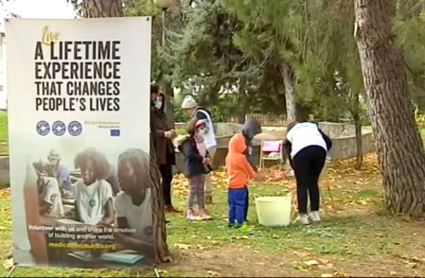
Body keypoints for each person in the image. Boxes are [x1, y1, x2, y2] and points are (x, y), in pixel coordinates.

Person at [284, 121, 332, 225]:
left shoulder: (290, 134)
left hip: (301, 152)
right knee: (313, 182)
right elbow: (329, 142)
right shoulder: (312, 126)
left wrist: (294, 167)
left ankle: (303, 215)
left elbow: (289, 152)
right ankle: (315, 214)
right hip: (319, 150)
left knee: (302, 184)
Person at [113, 149, 154, 255]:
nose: (119, 176)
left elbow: (157, 247)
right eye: (118, 171)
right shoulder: (120, 200)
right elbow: (125, 236)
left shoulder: (155, 199)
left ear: (140, 172)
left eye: (124, 170)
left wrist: (119, 237)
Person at [181, 95, 216, 204]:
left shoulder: (199, 114)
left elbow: (203, 130)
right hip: (211, 143)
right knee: (206, 170)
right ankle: (207, 194)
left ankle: (203, 195)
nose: (187, 113)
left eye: (187, 110)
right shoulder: (204, 112)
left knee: (202, 171)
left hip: (207, 145)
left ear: (190, 108)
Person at [176, 119, 213, 220]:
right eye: (201, 128)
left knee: (201, 189)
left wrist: (207, 157)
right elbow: (189, 154)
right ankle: (190, 210)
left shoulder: (200, 140)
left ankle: (202, 210)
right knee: (193, 189)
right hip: (192, 168)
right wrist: (202, 159)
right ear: (195, 128)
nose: (203, 130)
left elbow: (205, 151)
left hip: (200, 168)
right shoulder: (189, 141)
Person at [73, 148, 114, 225]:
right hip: (82, 229)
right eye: (83, 168)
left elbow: (110, 217)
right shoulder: (77, 186)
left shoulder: (103, 186)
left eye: (90, 169)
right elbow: (77, 215)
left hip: (98, 229)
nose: (85, 172)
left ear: (97, 170)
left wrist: (98, 227)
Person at [154, 92, 179, 212]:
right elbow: (152, 131)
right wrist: (164, 134)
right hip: (158, 150)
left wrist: (171, 132)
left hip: (167, 150)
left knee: (168, 176)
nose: (159, 101)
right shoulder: (151, 113)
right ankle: (158, 204)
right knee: (157, 178)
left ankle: (167, 204)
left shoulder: (162, 114)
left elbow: (166, 126)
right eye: (157, 99)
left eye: (161, 99)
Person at [226, 133, 257, 227]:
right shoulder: (241, 158)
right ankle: (240, 222)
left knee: (232, 204)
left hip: (231, 185)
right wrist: (255, 176)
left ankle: (231, 221)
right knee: (240, 204)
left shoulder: (229, 156)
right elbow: (248, 170)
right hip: (240, 185)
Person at [241, 118, 262, 221]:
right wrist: (254, 174)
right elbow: (245, 162)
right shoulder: (241, 146)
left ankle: (240, 218)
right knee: (241, 200)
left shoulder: (247, 142)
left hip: (240, 180)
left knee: (242, 200)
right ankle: (241, 218)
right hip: (239, 182)